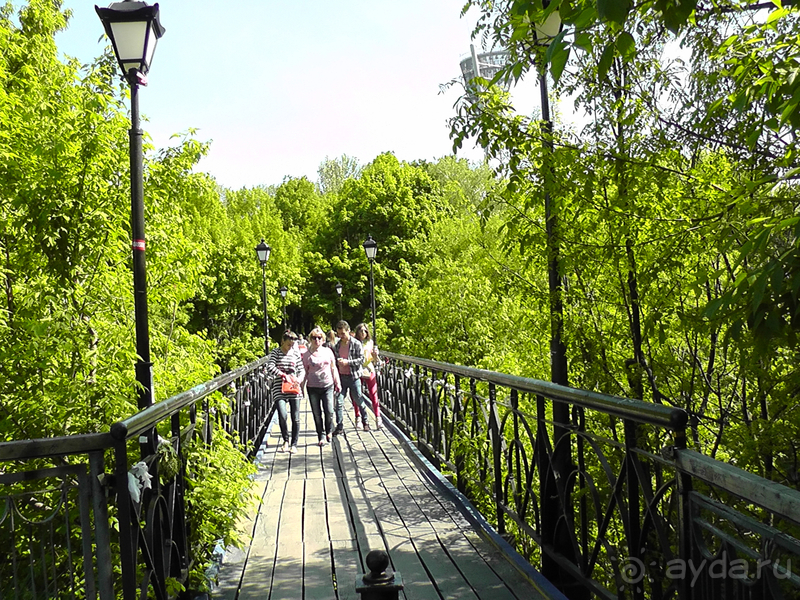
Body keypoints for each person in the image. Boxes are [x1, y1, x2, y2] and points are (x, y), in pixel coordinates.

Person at [266, 331, 305, 453]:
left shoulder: (294, 353)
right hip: (279, 387)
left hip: (293, 387)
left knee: (296, 417)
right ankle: (285, 440)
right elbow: (270, 366)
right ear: (283, 342)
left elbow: (301, 369)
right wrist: (282, 375)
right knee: (282, 415)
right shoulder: (276, 352)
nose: (290, 347)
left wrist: (299, 379)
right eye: (288, 344)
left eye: (292, 345)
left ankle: (294, 443)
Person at [302, 326, 340, 446]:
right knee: (317, 413)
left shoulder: (328, 351)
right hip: (312, 387)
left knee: (329, 410)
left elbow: (333, 368)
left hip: (327, 385)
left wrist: (337, 382)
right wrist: (301, 388)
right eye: (314, 338)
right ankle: (321, 435)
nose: (316, 340)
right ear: (310, 339)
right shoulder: (307, 355)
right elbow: (304, 372)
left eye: (319, 338)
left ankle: (329, 430)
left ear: (323, 339)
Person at [333, 320, 372, 435]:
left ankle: (365, 421)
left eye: (343, 334)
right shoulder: (338, 345)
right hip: (341, 377)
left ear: (348, 331)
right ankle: (339, 426)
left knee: (359, 400)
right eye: (339, 334)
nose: (341, 336)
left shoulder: (356, 343)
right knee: (339, 402)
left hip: (353, 377)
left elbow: (361, 360)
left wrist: (347, 362)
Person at [354, 323, 382, 429]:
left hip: (368, 369)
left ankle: (378, 417)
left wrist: (375, 356)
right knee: (356, 394)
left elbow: (374, 360)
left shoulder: (370, 343)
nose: (363, 333)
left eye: (365, 331)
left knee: (374, 394)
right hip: (357, 370)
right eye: (361, 330)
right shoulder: (354, 342)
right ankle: (358, 417)